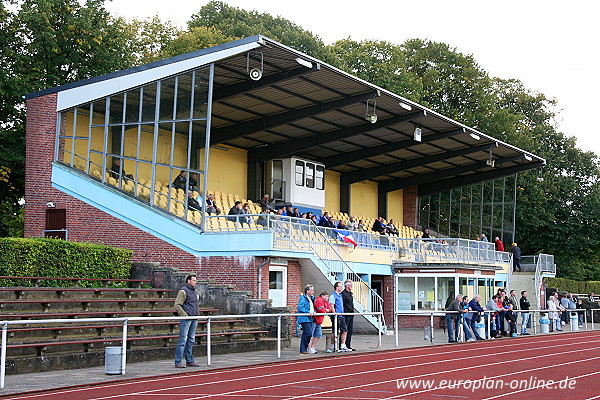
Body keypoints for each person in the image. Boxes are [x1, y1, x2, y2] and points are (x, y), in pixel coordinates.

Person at [173, 274, 200, 368]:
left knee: (191, 340)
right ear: (188, 281)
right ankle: (178, 361)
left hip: (194, 319)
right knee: (183, 340)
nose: (195, 282)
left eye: (195, 280)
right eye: (194, 280)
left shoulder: (195, 292)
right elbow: (177, 305)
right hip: (187, 319)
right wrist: (185, 315)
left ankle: (189, 360)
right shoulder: (183, 291)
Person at [329, 281, 351, 352]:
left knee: (345, 330)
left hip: (342, 315)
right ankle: (333, 345)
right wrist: (334, 314)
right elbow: (332, 305)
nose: (341, 287)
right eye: (340, 286)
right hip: (336, 316)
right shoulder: (333, 296)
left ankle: (343, 345)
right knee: (335, 331)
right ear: (336, 287)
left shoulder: (340, 295)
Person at [297, 284, 316, 354]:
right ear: (307, 291)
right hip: (304, 318)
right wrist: (308, 312)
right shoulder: (303, 298)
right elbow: (300, 307)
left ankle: (303, 349)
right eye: (311, 290)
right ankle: (304, 348)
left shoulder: (312, 299)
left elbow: (312, 308)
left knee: (306, 333)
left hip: (310, 318)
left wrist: (313, 312)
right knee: (308, 333)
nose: (313, 292)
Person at [341, 280, 355, 351]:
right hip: (346, 314)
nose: (352, 286)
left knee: (350, 330)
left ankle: (348, 345)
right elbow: (342, 304)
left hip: (351, 314)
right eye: (351, 285)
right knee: (344, 330)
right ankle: (343, 344)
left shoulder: (350, 294)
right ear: (347, 286)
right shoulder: (343, 294)